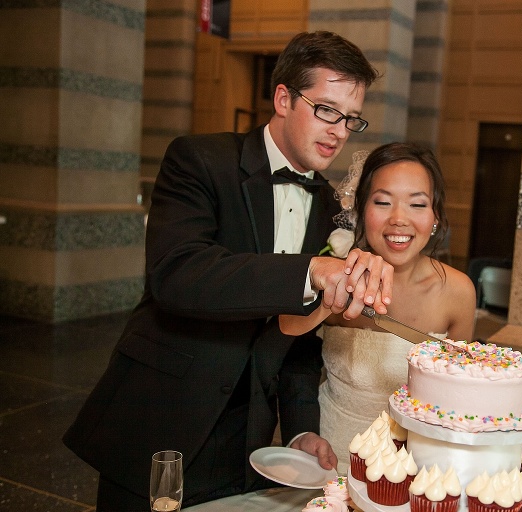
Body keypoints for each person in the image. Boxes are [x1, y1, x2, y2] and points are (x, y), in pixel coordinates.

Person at [63, 31, 392, 511]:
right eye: (326, 109)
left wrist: (301, 428)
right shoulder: (199, 159)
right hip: (162, 415)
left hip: (248, 441)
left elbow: (300, 340)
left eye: (351, 119)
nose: (339, 130)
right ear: (283, 98)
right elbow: (179, 274)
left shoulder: (328, 206)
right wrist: (310, 270)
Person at [280, 142, 477, 474]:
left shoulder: (457, 292)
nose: (399, 219)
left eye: (417, 204)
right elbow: (286, 330)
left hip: (413, 470)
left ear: (435, 217)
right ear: (361, 210)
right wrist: (340, 287)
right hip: (328, 461)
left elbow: (458, 397)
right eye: (383, 202)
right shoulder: (336, 274)